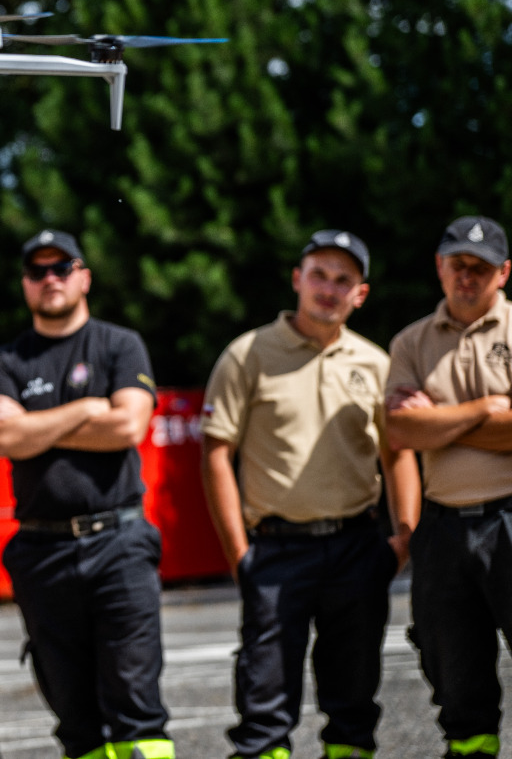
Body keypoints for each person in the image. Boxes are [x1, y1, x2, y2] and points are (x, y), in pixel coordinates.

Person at [200, 230, 419, 759]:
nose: (329, 288)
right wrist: (238, 553)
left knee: (353, 701)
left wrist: (402, 539)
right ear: (297, 279)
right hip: (275, 549)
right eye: (319, 274)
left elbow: (397, 455)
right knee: (263, 705)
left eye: (343, 279)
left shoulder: (376, 363)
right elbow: (215, 454)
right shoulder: (247, 355)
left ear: (360, 295)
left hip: (357, 546)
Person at [0, 229, 172, 759]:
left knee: (137, 704)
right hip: (42, 550)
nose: (50, 279)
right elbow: (2, 439)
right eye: (37, 271)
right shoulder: (5, 360)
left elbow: (127, 425)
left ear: (84, 276)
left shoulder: (119, 344)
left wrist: (34, 425)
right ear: (25, 283)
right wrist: (88, 409)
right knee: (73, 713)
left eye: (61, 267)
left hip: (119, 542)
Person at [384, 216, 512, 759]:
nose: (467, 276)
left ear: (504, 273)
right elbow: (399, 432)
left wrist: (437, 421)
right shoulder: (410, 342)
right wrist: (486, 410)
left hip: (509, 516)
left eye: (481, 268)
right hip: (442, 526)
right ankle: (471, 749)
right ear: (439, 267)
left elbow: (419, 429)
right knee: (452, 665)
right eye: (458, 264)